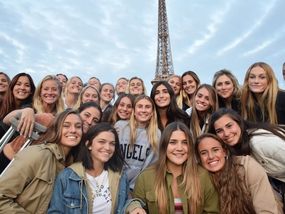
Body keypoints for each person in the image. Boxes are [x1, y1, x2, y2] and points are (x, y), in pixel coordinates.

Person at [0, 109, 83, 214]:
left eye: (78, 126)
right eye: (66, 125)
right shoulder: (37, 154)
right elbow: (1, 196)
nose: (73, 130)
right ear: (56, 129)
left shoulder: (72, 166)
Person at [130, 122, 219, 213]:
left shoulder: (203, 176)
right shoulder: (145, 178)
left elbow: (212, 211)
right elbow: (136, 207)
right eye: (173, 142)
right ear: (164, 146)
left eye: (185, 142)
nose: (179, 148)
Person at [208, 108, 285, 211]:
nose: (226, 133)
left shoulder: (259, 143)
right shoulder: (236, 149)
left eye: (229, 126)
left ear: (239, 123)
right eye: (219, 131)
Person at [48, 123, 129, 213]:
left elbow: (126, 202)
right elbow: (55, 211)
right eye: (102, 142)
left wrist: (135, 205)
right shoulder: (67, 176)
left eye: (112, 144)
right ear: (88, 145)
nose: (107, 147)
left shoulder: (120, 176)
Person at [195, 133, 279, 214]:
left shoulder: (246, 167)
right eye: (204, 153)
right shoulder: (200, 178)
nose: (211, 156)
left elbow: (266, 210)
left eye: (215, 150)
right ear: (199, 158)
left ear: (224, 152)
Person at [114, 95, 161, 190]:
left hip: (136, 187)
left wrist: (135, 188)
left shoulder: (156, 133)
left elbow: (149, 167)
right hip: (114, 184)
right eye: (140, 106)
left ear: (152, 112)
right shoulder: (120, 126)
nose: (143, 110)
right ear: (134, 111)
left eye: (147, 107)